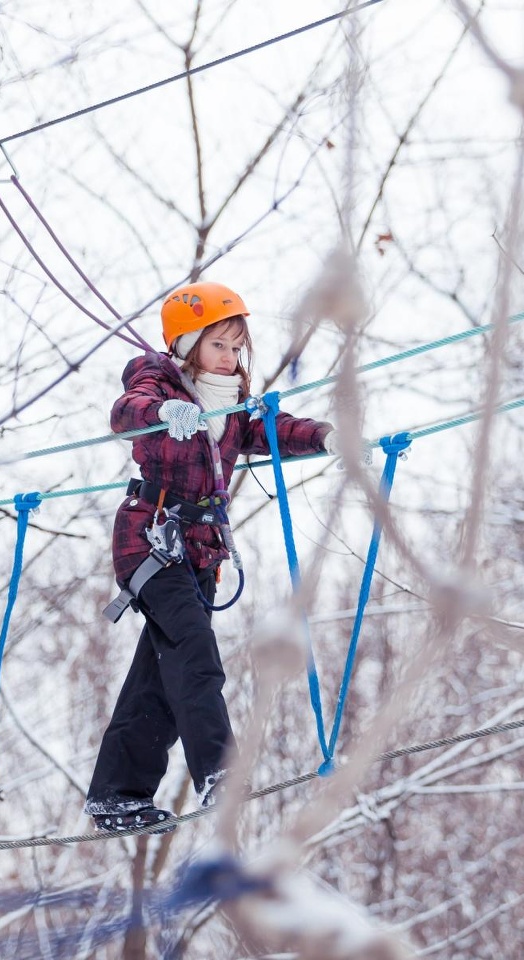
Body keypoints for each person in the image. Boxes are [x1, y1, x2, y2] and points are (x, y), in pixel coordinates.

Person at [85, 281, 332, 833]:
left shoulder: (232, 403)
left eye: (236, 346)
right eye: (218, 345)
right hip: (151, 540)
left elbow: (275, 429)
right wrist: (165, 411)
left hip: (201, 554)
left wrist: (326, 437)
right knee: (195, 655)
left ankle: (117, 795)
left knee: (159, 677)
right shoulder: (158, 378)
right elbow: (129, 411)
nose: (229, 356)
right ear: (189, 342)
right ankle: (219, 773)